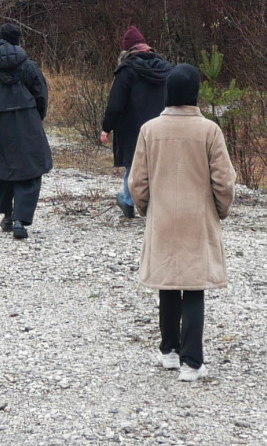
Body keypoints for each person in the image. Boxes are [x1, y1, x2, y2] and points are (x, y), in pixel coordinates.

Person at [128, 62, 236, 381]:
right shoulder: (209, 131)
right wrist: (220, 210)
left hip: (162, 217)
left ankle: (169, 351)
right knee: (194, 287)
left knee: (167, 284)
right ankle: (192, 362)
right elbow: (224, 181)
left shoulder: (149, 130)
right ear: (194, 93)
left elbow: (137, 182)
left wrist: (147, 210)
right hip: (197, 219)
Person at [0, 23, 53, 240]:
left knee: (2, 168)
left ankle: (7, 213)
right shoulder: (29, 67)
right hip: (26, 120)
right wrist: (37, 116)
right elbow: (41, 94)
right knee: (29, 170)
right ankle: (20, 220)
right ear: (17, 42)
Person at [98, 26, 173, 223]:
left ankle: (129, 202)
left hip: (133, 129)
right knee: (160, 166)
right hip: (164, 126)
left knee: (133, 166)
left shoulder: (127, 70)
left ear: (127, 50)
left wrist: (106, 127)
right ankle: (158, 205)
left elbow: (116, 104)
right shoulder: (167, 69)